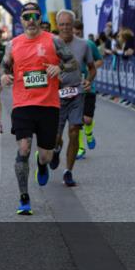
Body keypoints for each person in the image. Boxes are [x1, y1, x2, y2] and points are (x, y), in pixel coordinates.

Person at [0, 2, 77, 214]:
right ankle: (24, 197)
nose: (31, 20)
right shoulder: (13, 44)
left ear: (40, 18)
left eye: (35, 16)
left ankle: (42, 164)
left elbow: (73, 64)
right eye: (27, 17)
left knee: (46, 156)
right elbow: (4, 66)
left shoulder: (54, 41)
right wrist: (4, 76)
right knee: (23, 148)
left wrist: (58, 67)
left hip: (48, 105)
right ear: (21, 20)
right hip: (23, 104)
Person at [50, 10, 96, 186]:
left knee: (75, 132)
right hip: (57, 94)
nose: (65, 27)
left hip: (77, 93)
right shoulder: (52, 44)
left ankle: (68, 171)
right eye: (61, 24)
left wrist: (88, 81)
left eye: (68, 24)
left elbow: (92, 68)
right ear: (58, 25)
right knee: (56, 136)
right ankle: (56, 149)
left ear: (73, 25)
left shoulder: (84, 45)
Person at [73, 20, 104, 150]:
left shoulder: (89, 44)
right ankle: (80, 148)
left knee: (87, 119)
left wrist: (90, 67)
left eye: (78, 33)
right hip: (74, 88)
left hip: (88, 87)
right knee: (77, 120)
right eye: (74, 33)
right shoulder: (66, 45)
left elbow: (100, 61)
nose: (76, 35)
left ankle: (89, 134)